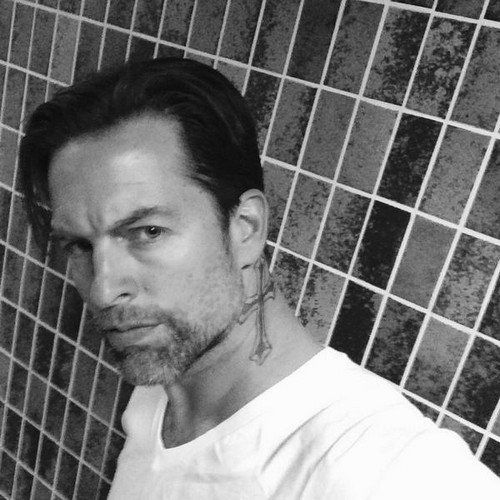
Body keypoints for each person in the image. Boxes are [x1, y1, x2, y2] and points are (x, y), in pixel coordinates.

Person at [19, 57, 500, 499]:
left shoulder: (379, 469)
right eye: (79, 246)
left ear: (245, 227)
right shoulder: (158, 397)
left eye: (148, 231)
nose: (104, 289)